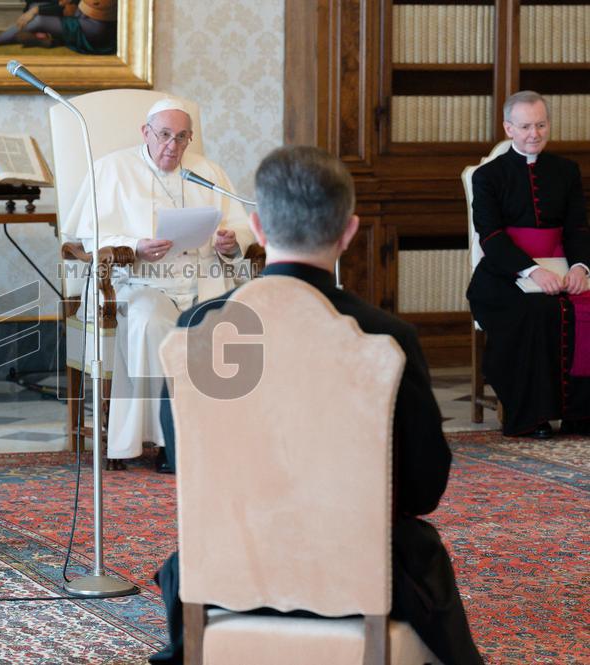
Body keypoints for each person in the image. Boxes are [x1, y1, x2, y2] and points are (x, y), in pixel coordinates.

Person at [151, 146, 483, 665]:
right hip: (359, 571)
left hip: (226, 570)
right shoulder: (382, 336)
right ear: (349, 232)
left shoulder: (199, 330)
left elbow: (185, 463)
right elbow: (424, 486)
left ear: (258, 227)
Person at [63, 97, 254, 471]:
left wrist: (231, 241)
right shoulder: (112, 170)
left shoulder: (208, 172)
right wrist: (134, 246)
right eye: (164, 135)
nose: (172, 146)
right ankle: (172, 442)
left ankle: (218, 437)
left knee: (230, 319)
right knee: (153, 322)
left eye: (182, 138)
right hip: (133, 281)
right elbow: (87, 237)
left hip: (201, 280)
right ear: (145, 132)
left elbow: (241, 225)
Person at [467, 90, 590, 439]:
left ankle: (580, 414)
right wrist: (532, 270)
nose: (533, 134)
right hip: (503, 275)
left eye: (540, 124)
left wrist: (581, 268)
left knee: (583, 308)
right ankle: (531, 414)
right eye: (524, 126)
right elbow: (490, 237)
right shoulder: (488, 176)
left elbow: (578, 228)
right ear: (508, 128)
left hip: (563, 268)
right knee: (534, 310)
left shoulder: (566, 171)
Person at [0, 0, 116, 54]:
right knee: (36, 6)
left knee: (39, 20)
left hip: (93, 30)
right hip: (81, 15)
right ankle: (48, 37)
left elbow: (70, 8)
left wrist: (37, 11)